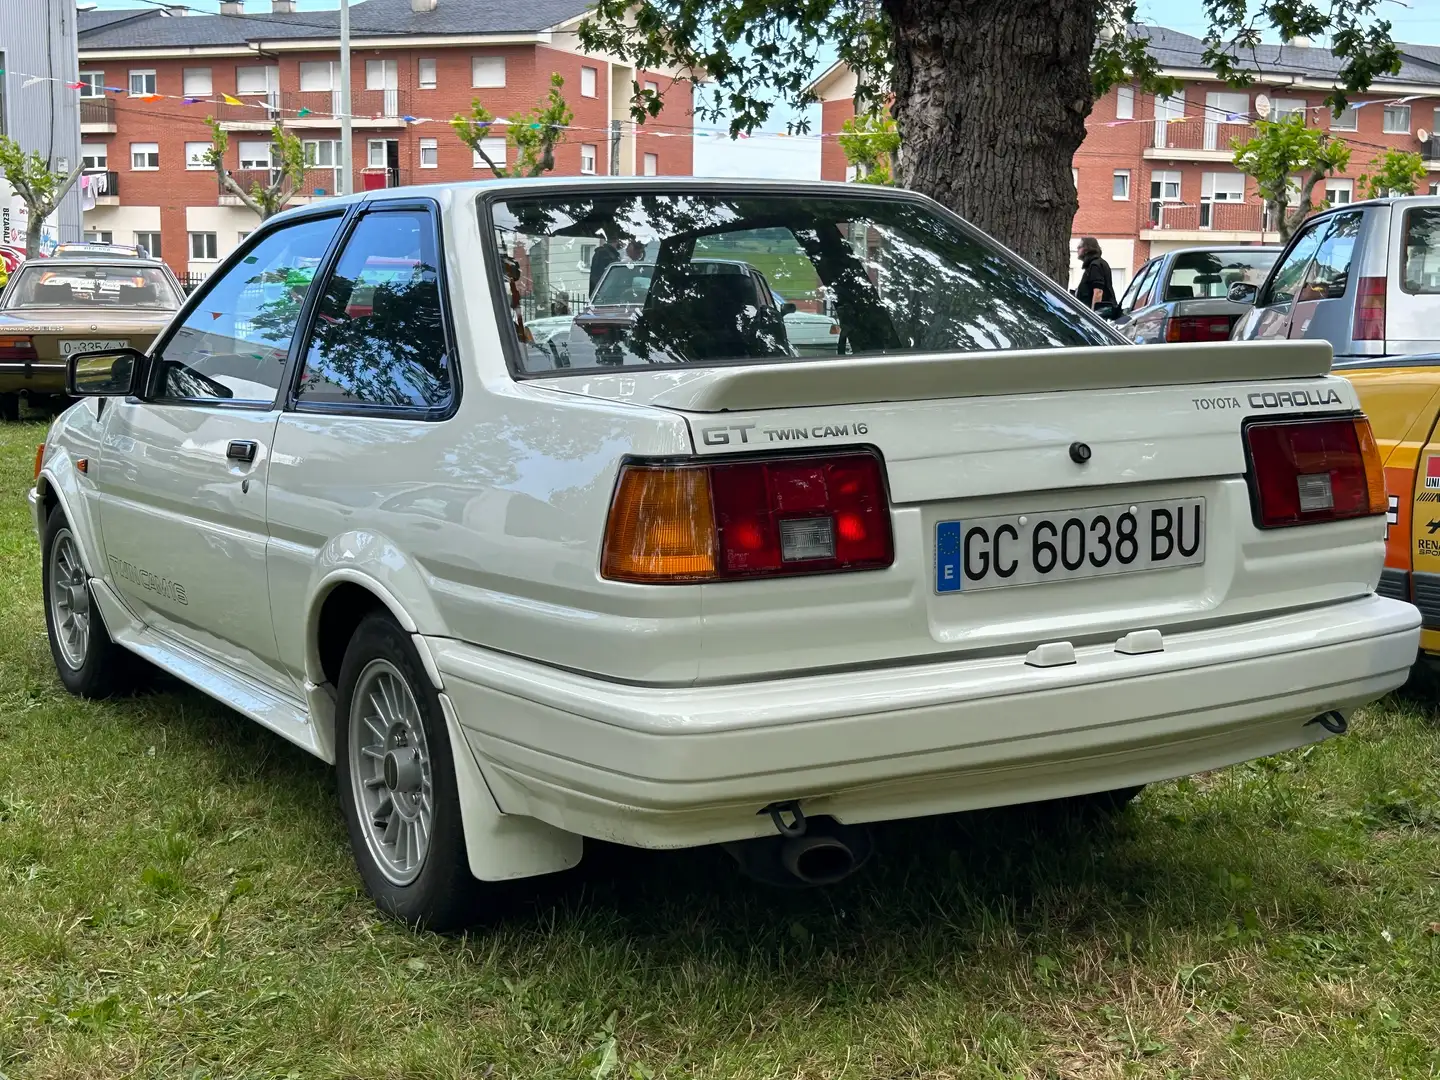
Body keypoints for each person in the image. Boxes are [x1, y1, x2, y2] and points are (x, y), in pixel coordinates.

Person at [1075, 237, 1116, 309]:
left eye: (1079, 247)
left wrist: (1093, 314)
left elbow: (1098, 292)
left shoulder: (1095, 265)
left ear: (1087, 249)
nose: (1077, 249)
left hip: (1099, 315)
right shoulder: (1096, 264)